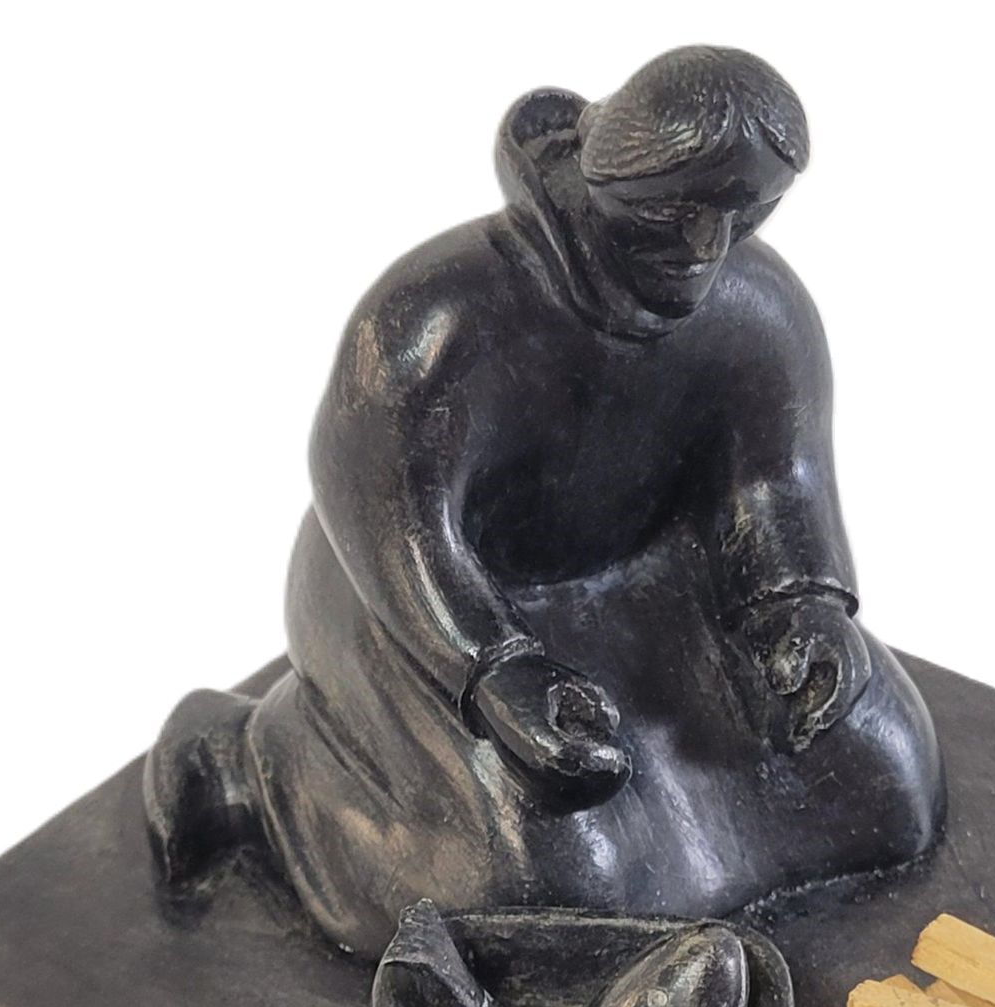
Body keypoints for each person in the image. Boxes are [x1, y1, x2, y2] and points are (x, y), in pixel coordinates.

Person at [145, 46, 945, 958]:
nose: (704, 248)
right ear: (610, 182)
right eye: (673, 211)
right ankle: (262, 766)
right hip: (430, 603)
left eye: (742, 212)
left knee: (879, 772)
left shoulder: (758, 310)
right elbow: (390, 516)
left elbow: (771, 482)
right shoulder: (437, 320)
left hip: (647, 582)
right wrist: (493, 669)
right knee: (554, 887)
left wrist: (800, 607)